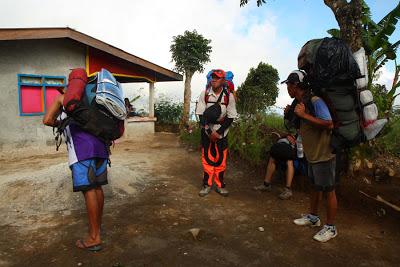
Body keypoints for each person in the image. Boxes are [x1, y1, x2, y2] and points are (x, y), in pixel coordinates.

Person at [43, 93, 109, 251]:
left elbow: (47, 120)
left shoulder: (63, 98)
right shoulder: (96, 97)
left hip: (81, 149)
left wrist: (63, 122)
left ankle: (94, 238)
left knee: (89, 190)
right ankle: (96, 230)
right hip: (101, 146)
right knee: (98, 187)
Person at [282, 70, 338, 242]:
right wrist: (291, 114)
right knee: (314, 186)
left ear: (295, 85)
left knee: (329, 190)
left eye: (289, 85)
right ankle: (313, 217)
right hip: (312, 154)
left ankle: (331, 227)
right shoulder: (300, 103)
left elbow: (329, 124)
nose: (287, 89)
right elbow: (302, 126)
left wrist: (304, 115)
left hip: (324, 154)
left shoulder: (315, 101)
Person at [195, 69, 237, 197]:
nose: (214, 79)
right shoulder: (205, 94)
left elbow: (230, 117)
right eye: (213, 77)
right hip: (207, 131)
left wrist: (218, 132)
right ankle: (207, 185)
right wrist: (209, 131)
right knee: (207, 159)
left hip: (221, 133)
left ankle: (220, 185)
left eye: (217, 78)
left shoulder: (228, 96)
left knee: (220, 160)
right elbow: (200, 115)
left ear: (223, 80)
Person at [253, 134, 297, 200]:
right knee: (275, 158)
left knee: (287, 161)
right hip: (283, 144)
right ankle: (267, 184)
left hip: (289, 145)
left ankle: (287, 189)